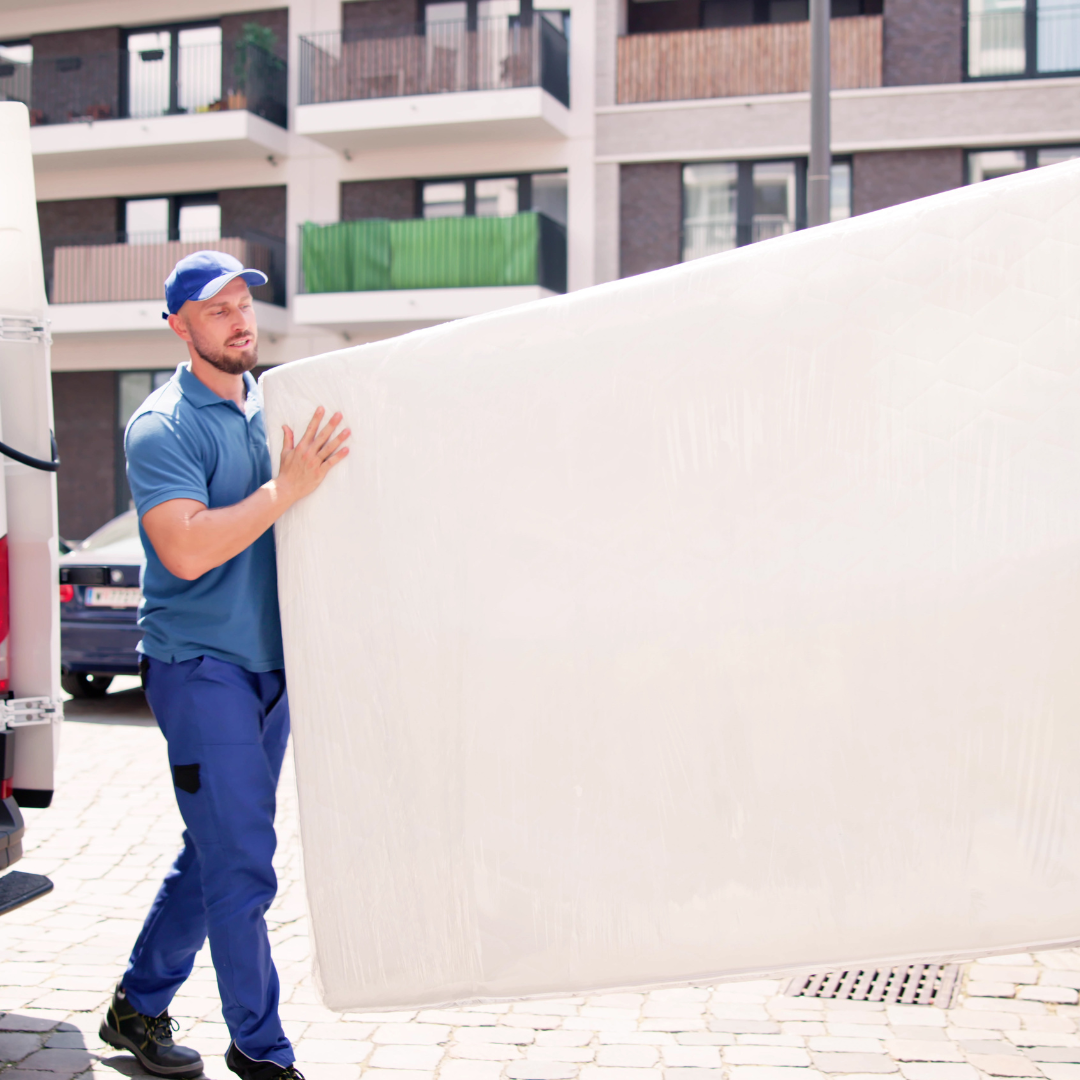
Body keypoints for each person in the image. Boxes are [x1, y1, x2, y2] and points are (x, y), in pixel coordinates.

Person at [99, 251, 349, 1080]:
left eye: (244, 303)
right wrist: (285, 489)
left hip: (273, 670)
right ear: (180, 326)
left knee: (214, 851)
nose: (240, 320)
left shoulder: (274, 405)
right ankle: (260, 1050)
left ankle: (137, 1007)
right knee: (241, 862)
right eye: (218, 309)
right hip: (200, 668)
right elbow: (186, 547)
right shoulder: (162, 425)